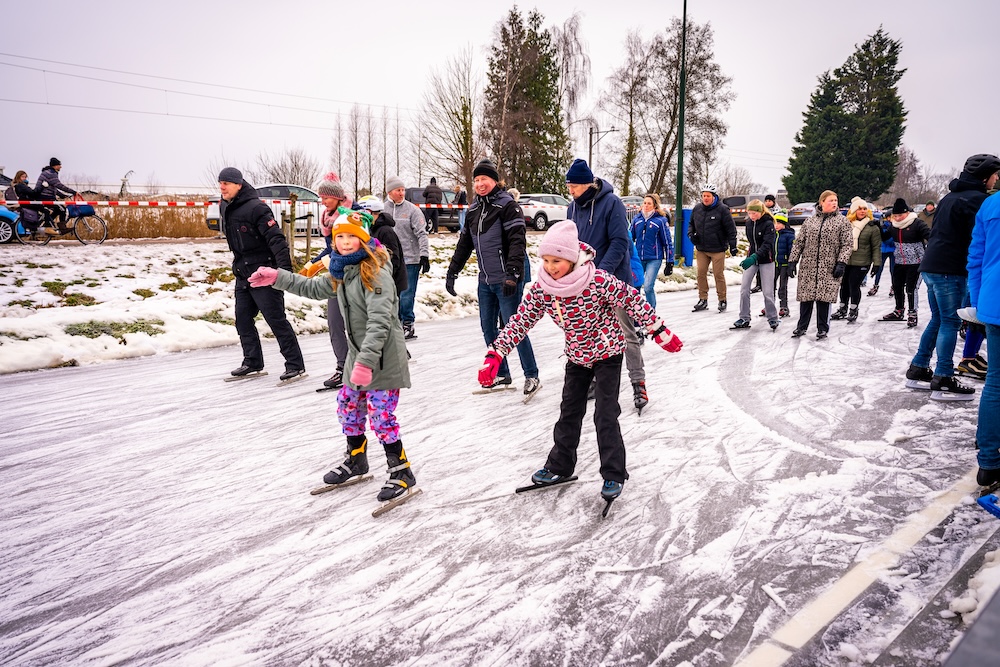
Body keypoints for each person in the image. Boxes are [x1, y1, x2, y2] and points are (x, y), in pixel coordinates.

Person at [476, 221, 683, 503]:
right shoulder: (543, 289)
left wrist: (659, 331)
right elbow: (520, 322)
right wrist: (496, 353)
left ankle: (614, 472)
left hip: (608, 353)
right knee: (569, 412)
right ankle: (560, 466)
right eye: (546, 260)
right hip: (577, 356)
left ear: (572, 258)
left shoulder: (597, 280)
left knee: (605, 414)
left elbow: (632, 299)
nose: (550, 267)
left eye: (557, 261)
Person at [248, 211, 416, 501]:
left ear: (363, 239)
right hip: (359, 358)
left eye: (352, 236)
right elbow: (313, 286)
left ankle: (402, 471)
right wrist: (278, 277)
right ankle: (356, 458)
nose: (346, 242)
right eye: (340, 236)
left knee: (380, 415)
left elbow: (381, 323)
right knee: (348, 405)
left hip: (383, 359)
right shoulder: (344, 269)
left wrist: (365, 362)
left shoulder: (375, 272)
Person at [905, 154, 1000, 399]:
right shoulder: (978, 200)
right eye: (994, 175)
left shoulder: (949, 197)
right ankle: (944, 377)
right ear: (984, 177)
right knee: (950, 322)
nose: (996, 179)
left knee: (938, 319)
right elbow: (979, 239)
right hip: (950, 269)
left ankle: (919, 367)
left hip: (931, 266)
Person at [445, 159, 540, 397]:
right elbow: (464, 244)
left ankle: (531, 374)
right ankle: (502, 372)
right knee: (488, 328)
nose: (480, 184)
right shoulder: (474, 210)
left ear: (495, 181)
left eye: (484, 179)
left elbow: (518, 242)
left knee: (514, 328)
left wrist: (513, 275)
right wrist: (453, 271)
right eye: (476, 180)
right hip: (486, 280)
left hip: (507, 279)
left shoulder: (508, 206)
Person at [564, 158, 650, 410]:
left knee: (626, 333)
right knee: (589, 333)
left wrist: (602, 274)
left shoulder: (612, 203)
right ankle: (592, 380)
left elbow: (620, 242)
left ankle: (638, 382)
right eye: (568, 186)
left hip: (613, 281)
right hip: (584, 283)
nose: (571, 190)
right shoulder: (571, 209)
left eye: (574, 186)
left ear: (587, 184)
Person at [218, 167, 305, 381]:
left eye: (226, 183)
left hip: (264, 272)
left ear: (238, 184)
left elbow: (276, 239)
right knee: (242, 319)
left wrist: (284, 273)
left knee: (276, 319)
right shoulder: (225, 206)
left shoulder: (257, 208)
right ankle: (252, 361)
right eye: (220, 183)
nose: (222, 187)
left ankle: (295, 364)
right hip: (243, 273)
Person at [299, 173, 351, 390]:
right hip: (336, 277)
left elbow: (361, 246)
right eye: (321, 197)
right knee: (334, 322)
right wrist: (313, 263)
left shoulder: (353, 215)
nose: (323, 202)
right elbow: (331, 249)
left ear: (338, 197)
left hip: (355, 278)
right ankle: (343, 367)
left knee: (361, 325)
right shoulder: (328, 219)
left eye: (326, 197)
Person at [966, 190, 1000, 487]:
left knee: (996, 383)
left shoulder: (991, 204)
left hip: (993, 300)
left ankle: (988, 462)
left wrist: (979, 302)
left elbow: (975, 258)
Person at [787, 190, 852, 339]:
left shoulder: (842, 222)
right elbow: (799, 243)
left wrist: (841, 262)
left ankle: (822, 328)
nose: (834, 203)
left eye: (835, 200)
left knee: (824, 298)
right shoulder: (810, 221)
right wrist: (792, 261)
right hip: (808, 266)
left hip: (829, 267)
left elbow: (847, 245)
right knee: (806, 297)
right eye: (830, 200)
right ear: (822, 202)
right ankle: (801, 326)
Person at [384, 176, 429, 339]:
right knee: (392, 294)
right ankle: (395, 324)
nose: (402, 193)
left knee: (406, 293)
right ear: (390, 191)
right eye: (398, 190)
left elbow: (422, 233)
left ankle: (408, 323)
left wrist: (424, 255)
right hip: (389, 260)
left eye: (403, 190)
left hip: (410, 259)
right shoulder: (383, 209)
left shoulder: (412, 210)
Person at [880, 198, 931, 328]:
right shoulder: (894, 226)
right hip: (900, 261)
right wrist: (879, 227)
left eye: (900, 215)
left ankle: (913, 313)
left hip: (916, 262)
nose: (897, 218)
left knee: (911, 288)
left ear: (907, 213)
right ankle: (899, 310)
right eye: (895, 216)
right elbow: (885, 238)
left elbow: (930, 236)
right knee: (897, 286)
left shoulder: (917, 223)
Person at [689, 184, 738, 313]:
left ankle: (722, 299)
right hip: (702, 248)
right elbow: (691, 224)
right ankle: (702, 299)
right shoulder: (697, 209)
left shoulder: (722, 209)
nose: (705, 198)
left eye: (708, 196)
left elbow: (731, 229)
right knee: (700, 273)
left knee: (718, 274)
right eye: (704, 196)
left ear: (714, 197)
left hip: (718, 248)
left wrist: (733, 245)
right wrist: (691, 235)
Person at [831, 197, 881, 323]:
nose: (862, 211)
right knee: (844, 285)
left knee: (854, 285)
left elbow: (876, 247)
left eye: (864, 209)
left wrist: (877, 263)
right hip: (846, 261)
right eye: (859, 209)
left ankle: (853, 310)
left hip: (862, 261)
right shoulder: (847, 224)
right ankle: (842, 308)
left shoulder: (872, 227)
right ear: (853, 211)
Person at [733, 200, 778, 330]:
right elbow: (752, 243)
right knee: (744, 289)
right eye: (749, 213)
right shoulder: (749, 223)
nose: (752, 216)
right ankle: (744, 317)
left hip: (766, 260)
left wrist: (754, 257)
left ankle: (772, 318)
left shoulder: (768, 224)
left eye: (754, 213)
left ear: (761, 211)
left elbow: (767, 244)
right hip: (752, 258)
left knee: (768, 292)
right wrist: (750, 257)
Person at [630, 193, 674, 310]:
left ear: (654, 206)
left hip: (654, 258)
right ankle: (636, 311)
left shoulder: (660, 221)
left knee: (648, 286)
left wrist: (670, 261)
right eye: (644, 203)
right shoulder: (636, 220)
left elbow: (667, 242)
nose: (646, 205)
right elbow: (629, 238)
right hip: (639, 258)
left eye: (649, 203)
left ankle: (651, 311)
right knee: (635, 286)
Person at [35, 157, 77, 231]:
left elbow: (53, 187)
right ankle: (62, 228)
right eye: (59, 165)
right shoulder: (51, 173)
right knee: (62, 209)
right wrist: (73, 192)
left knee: (58, 210)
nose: (61, 167)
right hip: (46, 197)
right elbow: (59, 185)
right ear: (55, 166)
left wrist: (62, 195)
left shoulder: (48, 172)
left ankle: (47, 225)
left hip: (44, 197)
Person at [773, 213, 795, 318]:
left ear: (784, 224)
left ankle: (784, 306)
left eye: (779, 223)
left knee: (782, 286)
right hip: (773, 264)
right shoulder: (772, 235)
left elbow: (792, 250)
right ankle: (769, 305)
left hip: (784, 264)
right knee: (770, 286)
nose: (776, 225)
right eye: (774, 223)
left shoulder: (789, 235)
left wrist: (791, 264)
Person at [868, 212, 895, 297]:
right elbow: (881, 237)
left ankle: (894, 286)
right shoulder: (883, 226)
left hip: (893, 250)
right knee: (879, 268)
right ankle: (875, 285)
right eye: (890, 217)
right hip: (883, 249)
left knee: (893, 270)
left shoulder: (895, 226)